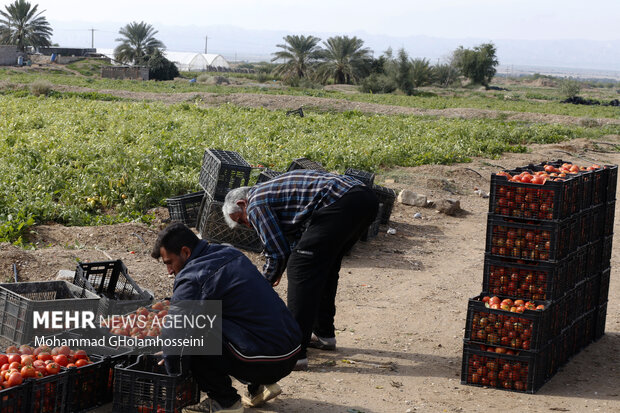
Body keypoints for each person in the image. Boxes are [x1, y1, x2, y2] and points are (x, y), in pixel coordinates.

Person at [222, 170, 379, 370]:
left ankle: (294, 353)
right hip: (363, 199)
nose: (248, 225)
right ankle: (324, 334)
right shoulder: (271, 193)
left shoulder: (256, 202)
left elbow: (278, 252)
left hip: (343, 201)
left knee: (300, 266)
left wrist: (264, 282)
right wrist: (275, 271)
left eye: (242, 220)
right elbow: (296, 240)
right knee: (322, 265)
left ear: (243, 204)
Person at [151, 223, 302, 413]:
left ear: (186, 252)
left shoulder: (192, 277)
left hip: (267, 361)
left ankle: (226, 402)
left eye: (169, 262)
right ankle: (259, 386)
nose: (169, 271)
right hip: (291, 349)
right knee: (228, 315)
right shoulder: (229, 253)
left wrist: (174, 364)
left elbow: (176, 336)